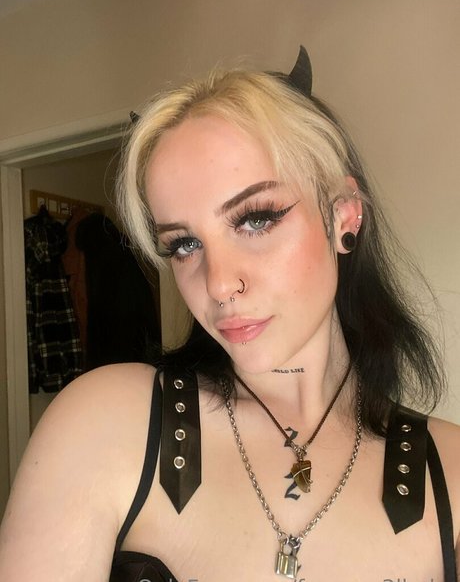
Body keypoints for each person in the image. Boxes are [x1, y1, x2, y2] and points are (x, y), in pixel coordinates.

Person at [0, 47, 459, 582]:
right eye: (184, 244)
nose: (218, 283)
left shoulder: (450, 471)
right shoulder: (106, 423)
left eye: (256, 219)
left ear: (344, 217)